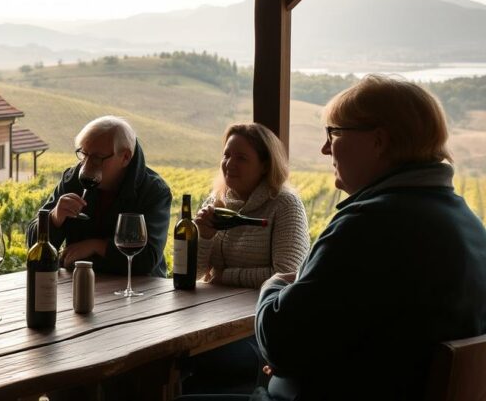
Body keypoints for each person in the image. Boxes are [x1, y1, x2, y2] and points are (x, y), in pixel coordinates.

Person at [253, 75, 486, 400]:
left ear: (379, 141)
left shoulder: (367, 226)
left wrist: (274, 284)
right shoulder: (468, 222)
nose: (325, 148)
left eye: (334, 133)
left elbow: (280, 344)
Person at [180, 123, 309, 394]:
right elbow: (196, 273)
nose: (229, 164)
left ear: (265, 165)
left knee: (191, 359)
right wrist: (204, 236)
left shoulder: (284, 204)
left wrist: (224, 275)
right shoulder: (217, 201)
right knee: (174, 356)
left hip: (258, 329)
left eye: (241, 158)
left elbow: (287, 275)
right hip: (215, 318)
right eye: (226, 155)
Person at [26, 116, 171, 276]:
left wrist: (96, 246)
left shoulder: (154, 192)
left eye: (96, 158)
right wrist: (54, 218)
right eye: (84, 154)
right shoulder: (73, 180)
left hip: (141, 287)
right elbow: (33, 245)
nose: (87, 166)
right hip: (80, 281)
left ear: (125, 157)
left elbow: (147, 260)